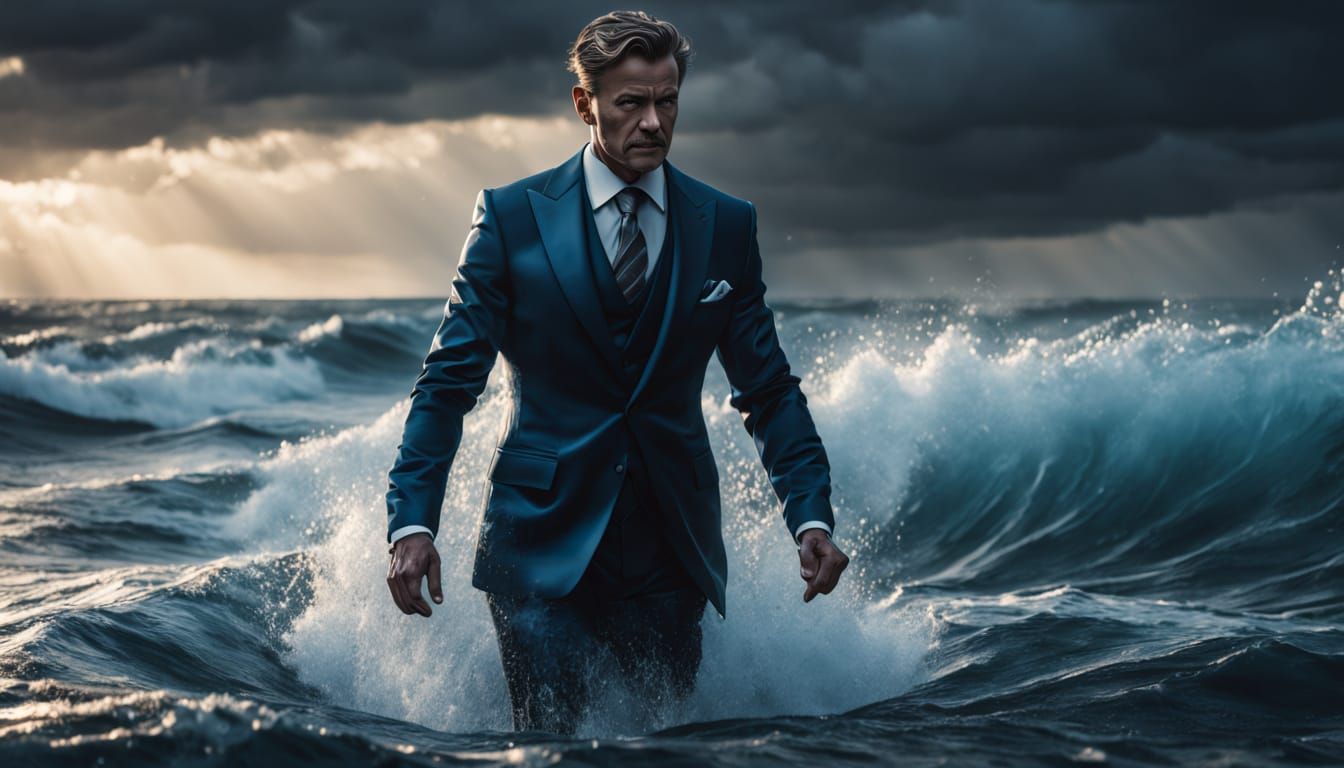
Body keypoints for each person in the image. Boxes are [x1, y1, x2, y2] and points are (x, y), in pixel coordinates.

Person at [383, 10, 849, 734]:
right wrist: (413, 523)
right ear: (585, 105)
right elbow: (447, 385)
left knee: (666, 744)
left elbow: (768, 389)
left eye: (667, 101)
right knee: (547, 743)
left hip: (671, 548)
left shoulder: (724, 225)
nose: (654, 122)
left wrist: (809, 513)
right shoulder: (510, 219)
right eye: (632, 102)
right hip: (538, 544)